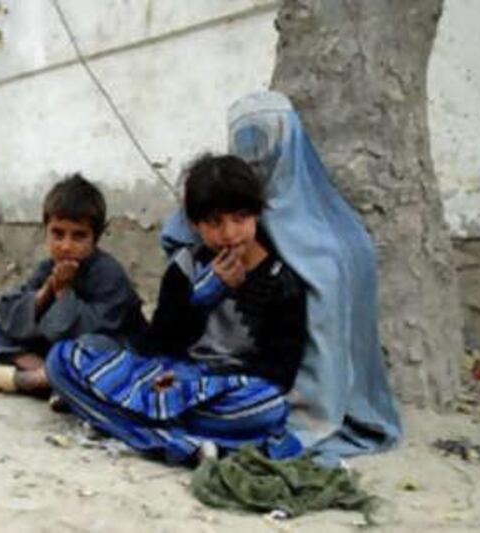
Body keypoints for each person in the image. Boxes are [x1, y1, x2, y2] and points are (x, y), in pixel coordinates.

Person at [161, 91, 402, 465]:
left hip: (267, 389)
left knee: (262, 407)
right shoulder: (213, 216)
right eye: (246, 144)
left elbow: (294, 354)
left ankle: (174, 426)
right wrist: (203, 290)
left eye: (267, 142)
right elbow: (163, 331)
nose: (257, 157)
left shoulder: (328, 239)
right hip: (193, 372)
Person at [45, 154, 306, 464]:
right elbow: (157, 344)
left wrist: (203, 383)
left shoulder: (280, 281)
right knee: (62, 359)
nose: (230, 233)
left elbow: (280, 373)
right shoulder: (185, 267)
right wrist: (204, 296)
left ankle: (133, 427)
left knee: (267, 408)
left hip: (226, 390)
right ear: (195, 224)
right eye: (214, 222)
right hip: (168, 380)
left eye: (240, 218)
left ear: (256, 216)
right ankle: (177, 441)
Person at [0, 174, 147, 397]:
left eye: (78, 236)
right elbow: (10, 312)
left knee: (89, 347)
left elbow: (73, 331)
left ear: (96, 237)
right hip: (58, 353)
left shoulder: (107, 273)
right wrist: (47, 291)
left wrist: (64, 291)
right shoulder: (48, 268)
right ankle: (51, 378)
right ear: (46, 230)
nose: (66, 246)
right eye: (57, 234)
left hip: (107, 351)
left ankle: (27, 381)